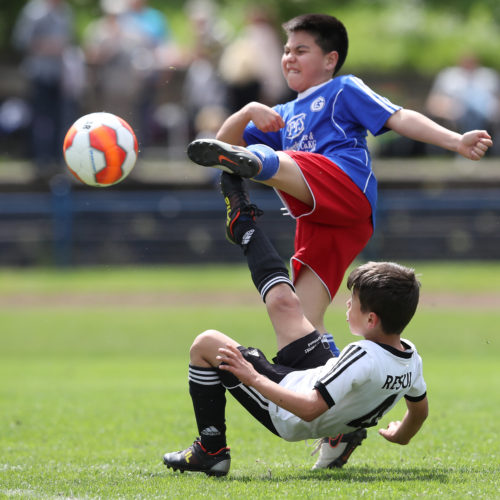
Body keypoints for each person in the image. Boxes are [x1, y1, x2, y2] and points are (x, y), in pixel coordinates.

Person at [186, 14, 493, 358]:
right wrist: (246, 112)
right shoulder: (281, 113)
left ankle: (257, 163)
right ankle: (332, 381)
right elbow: (218, 149)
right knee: (299, 319)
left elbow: (399, 116)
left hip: (346, 190)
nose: (289, 57)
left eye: (301, 50)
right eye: (286, 50)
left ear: (330, 59)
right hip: (318, 219)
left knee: (268, 157)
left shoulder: (343, 89)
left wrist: (456, 141)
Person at [162, 172, 428, 476]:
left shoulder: (362, 355)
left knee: (206, 344)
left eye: (352, 301)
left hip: (288, 412)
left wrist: (252, 377)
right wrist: (401, 435)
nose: (347, 304)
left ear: (371, 319)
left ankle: (211, 451)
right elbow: (419, 411)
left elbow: (309, 407)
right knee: (285, 304)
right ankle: (244, 225)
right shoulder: (411, 357)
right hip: (321, 391)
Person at [425, 53, 500, 135]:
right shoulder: (449, 75)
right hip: (455, 113)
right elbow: (434, 100)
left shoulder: (488, 76)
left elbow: (496, 99)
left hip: (485, 115)